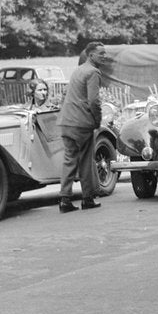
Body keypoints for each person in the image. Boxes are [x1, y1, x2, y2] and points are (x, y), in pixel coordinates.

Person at [59, 41, 112, 212]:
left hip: (66, 121)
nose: (104, 56)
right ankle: (87, 198)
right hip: (81, 123)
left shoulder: (78, 70)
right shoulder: (93, 72)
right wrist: (97, 121)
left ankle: (65, 200)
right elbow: (94, 101)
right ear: (91, 55)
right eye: (101, 53)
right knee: (86, 161)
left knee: (69, 160)